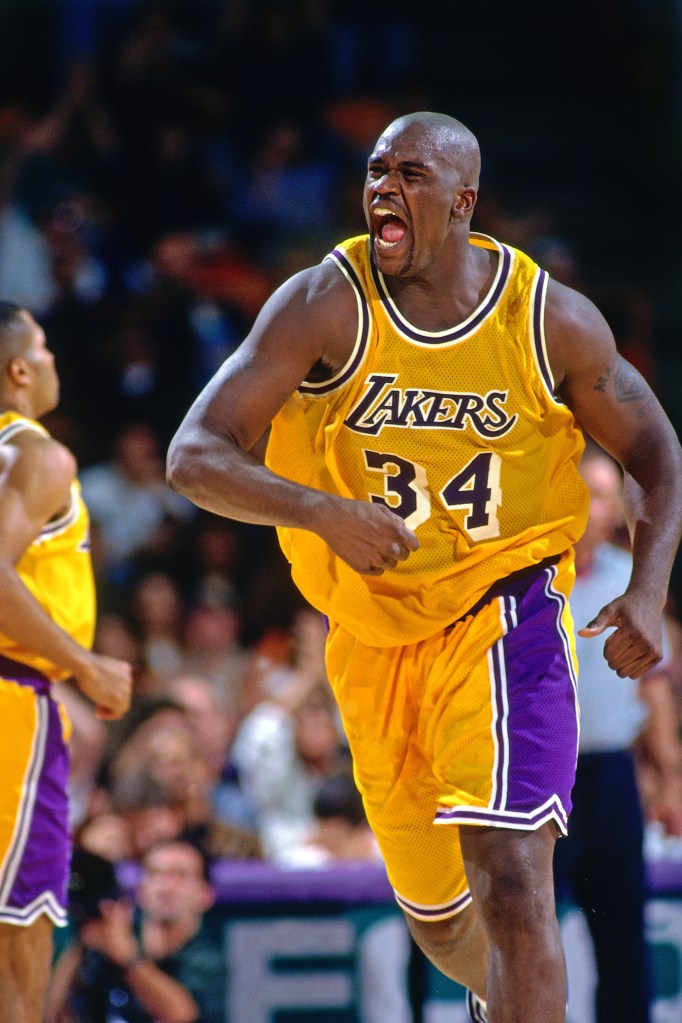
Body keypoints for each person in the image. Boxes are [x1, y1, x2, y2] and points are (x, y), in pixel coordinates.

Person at [166, 111, 682, 1023]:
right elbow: (195, 453)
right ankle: (497, 1000)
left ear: (462, 202)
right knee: (443, 922)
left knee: (517, 878)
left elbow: (655, 452)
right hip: (368, 636)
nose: (381, 189)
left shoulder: (548, 319)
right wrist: (321, 510)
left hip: (503, 612)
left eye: (409, 174)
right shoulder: (325, 299)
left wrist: (647, 586)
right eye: (374, 171)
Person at [0, 301, 132, 1023]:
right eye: (44, 347)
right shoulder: (35, 452)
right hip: (13, 704)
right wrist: (86, 664)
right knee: (18, 940)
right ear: (19, 369)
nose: (53, 360)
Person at [554, 444, 682, 1023]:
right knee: (527, 931)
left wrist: (671, 781)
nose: (593, 506)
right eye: (587, 493)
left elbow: (654, 693)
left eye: (604, 496)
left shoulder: (637, 582)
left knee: (623, 938)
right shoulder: (531, 577)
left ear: (613, 512)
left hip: (610, 776)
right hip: (539, 777)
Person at [45, 838, 225, 1023]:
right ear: (141, 890)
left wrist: (127, 957)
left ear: (205, 894)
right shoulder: (111, 944)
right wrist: (84, 941)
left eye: (179, 875)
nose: (165, 887)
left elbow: (182, 1014)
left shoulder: (208, 957)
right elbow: (52, 1015)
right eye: (155, 874)